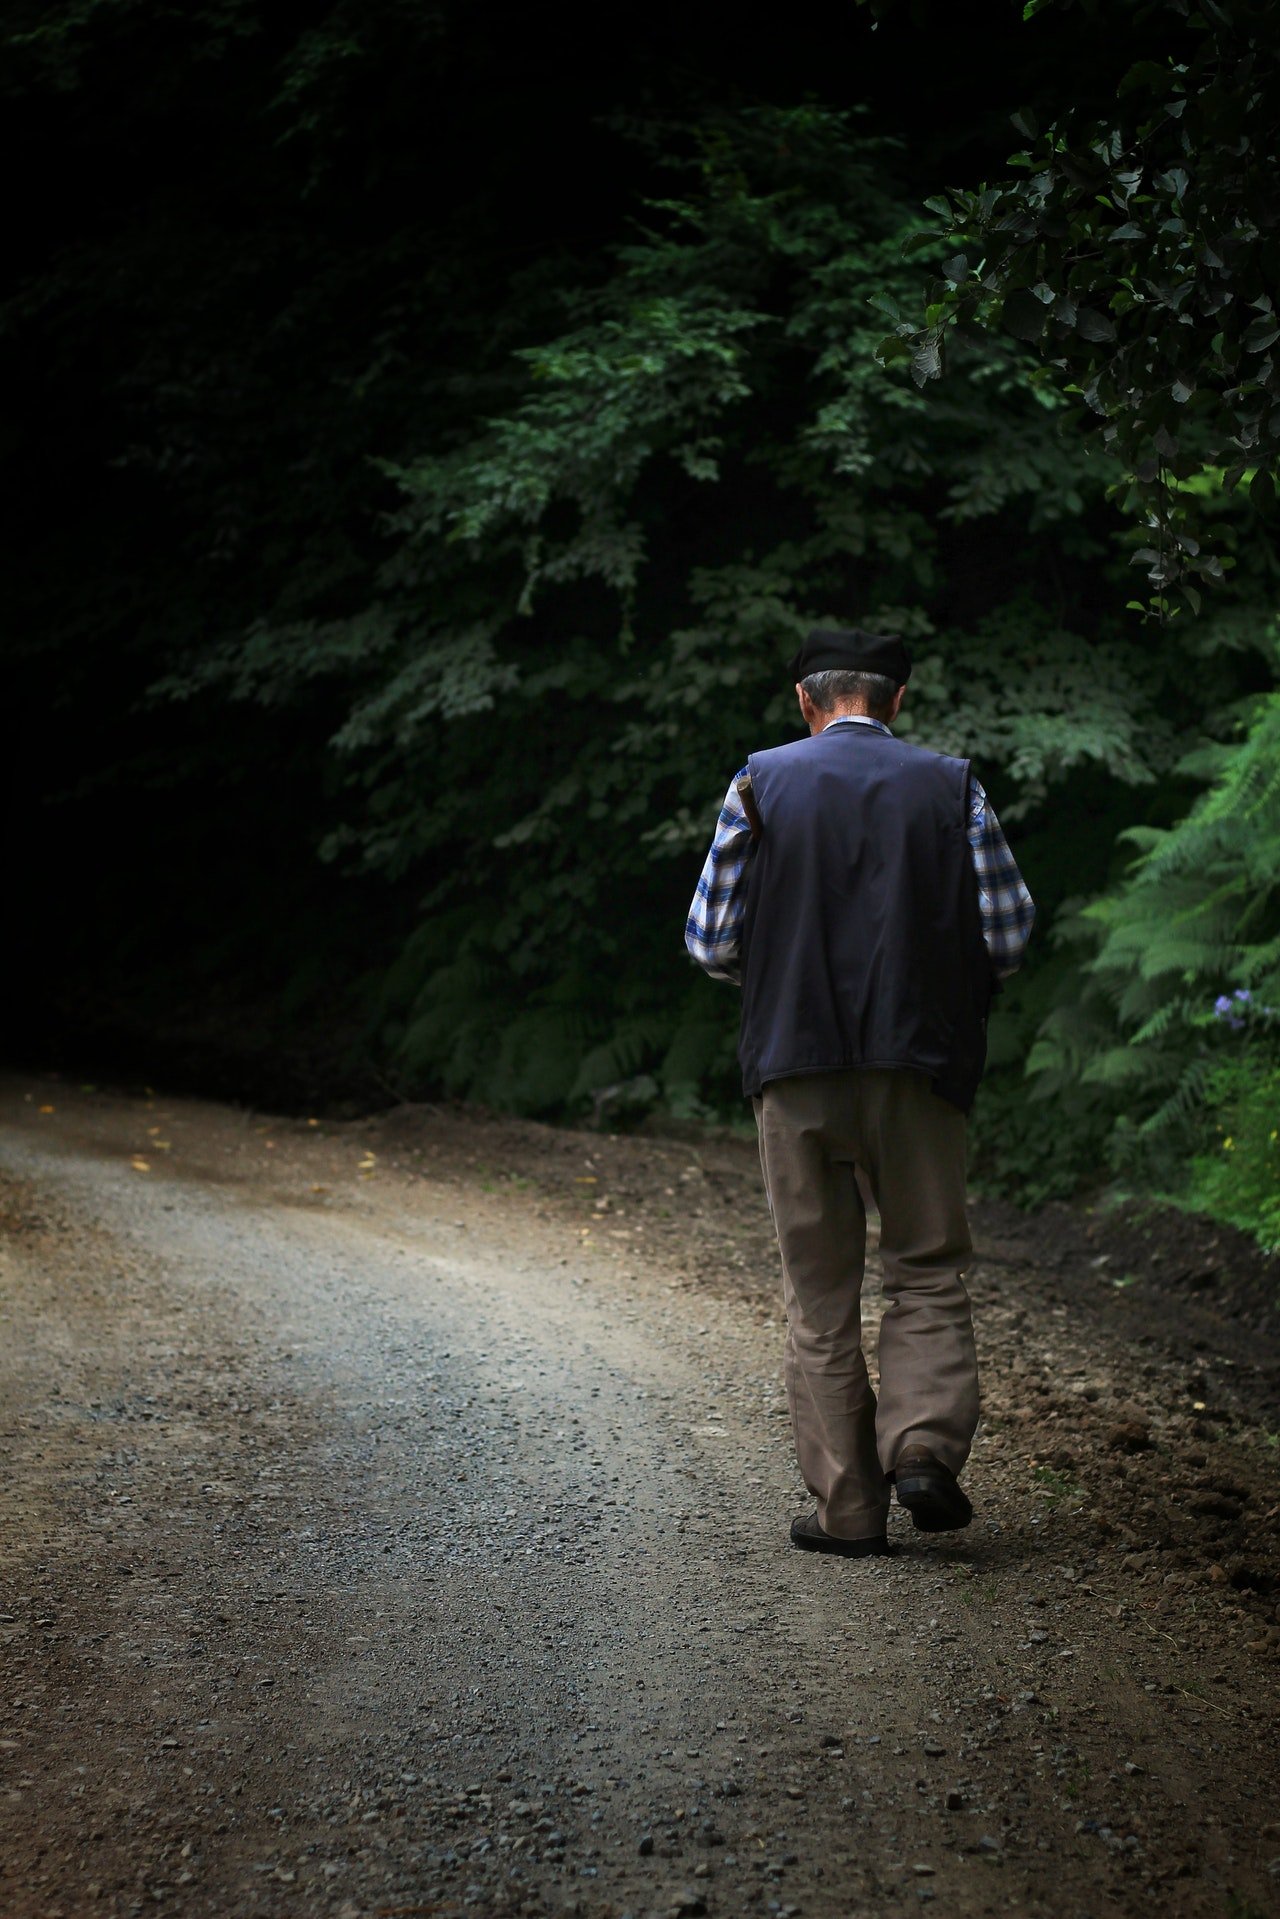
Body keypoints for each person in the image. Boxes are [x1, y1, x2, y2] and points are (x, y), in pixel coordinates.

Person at [685, 626, 1034, 1558]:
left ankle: (848, 1511)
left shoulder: (760, 782)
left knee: (821, 1292)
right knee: (924, 1266)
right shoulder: (951, 783)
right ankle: (921, 1449)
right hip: (918, 1068)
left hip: (793, 1072)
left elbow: (712, 941)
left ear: (806, 700)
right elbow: (1007, 934)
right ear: (897, 702)